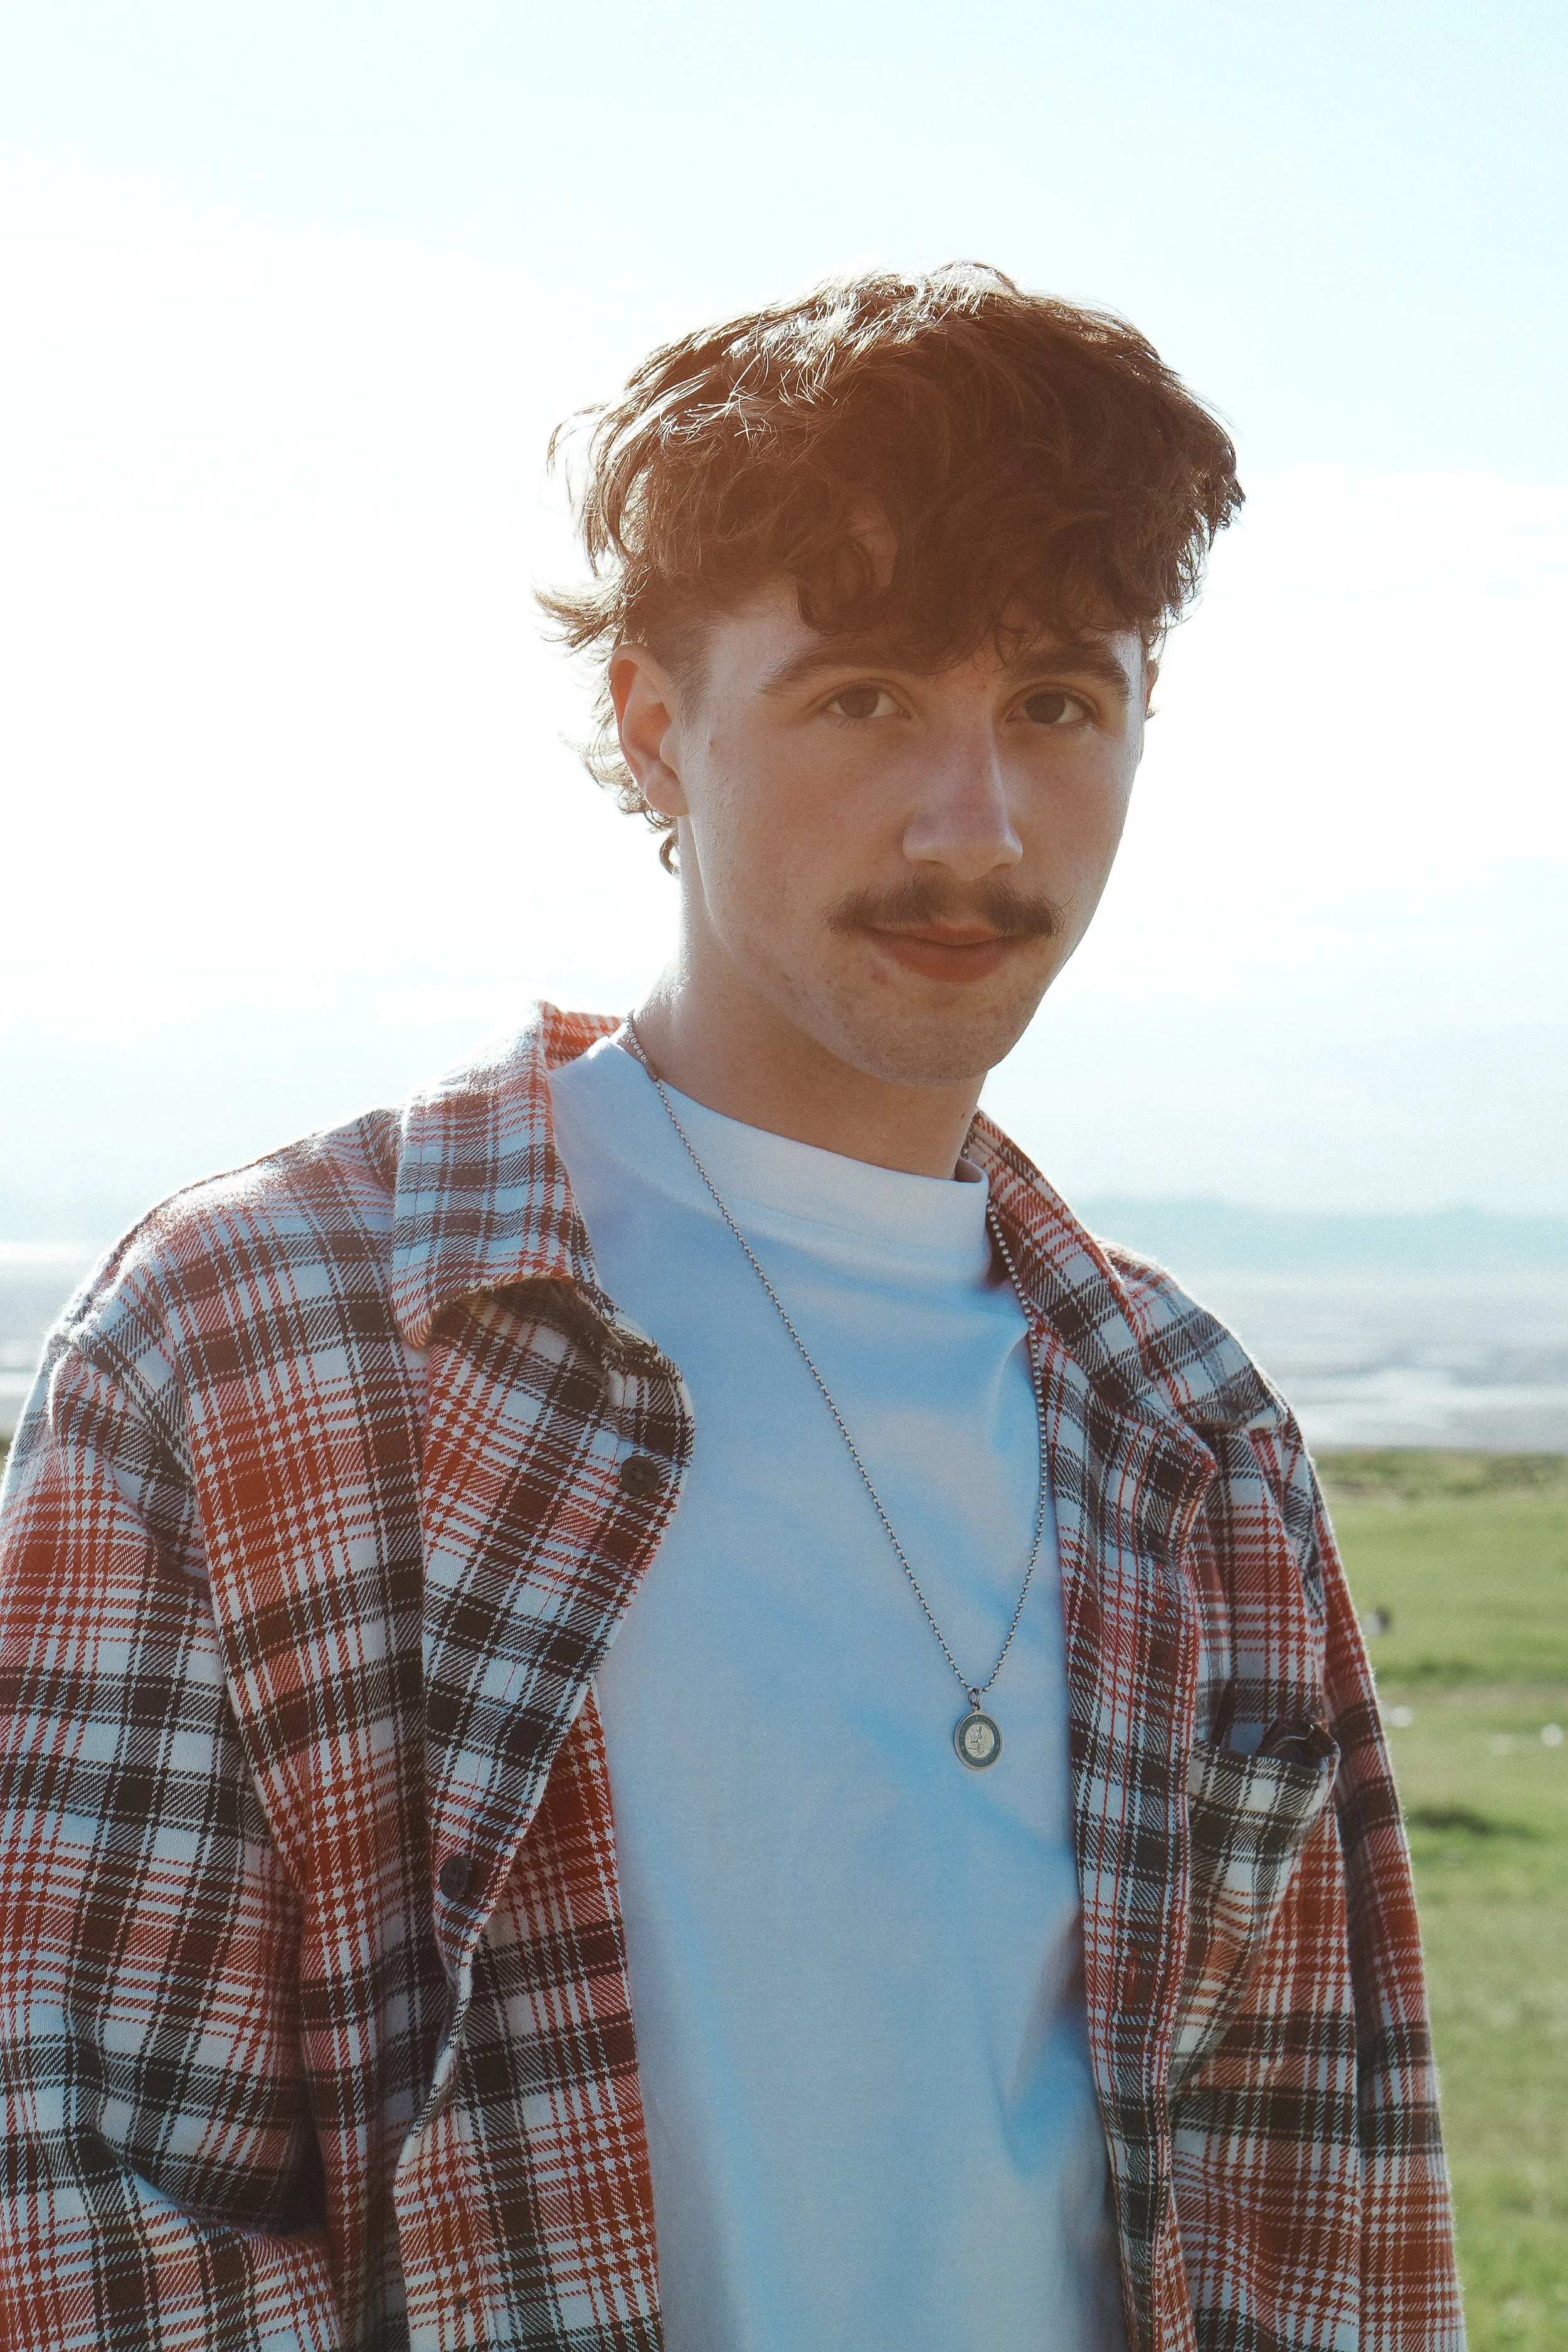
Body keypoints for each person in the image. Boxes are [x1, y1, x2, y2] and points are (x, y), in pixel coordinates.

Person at [0, 266, 1463, 2352]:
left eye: (1056, 700)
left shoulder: (1189, 1438)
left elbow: (1328, 2224)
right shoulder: (266, 1336)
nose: (975, 821)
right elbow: (88, 2212)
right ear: (649, 720)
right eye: (861, 695)